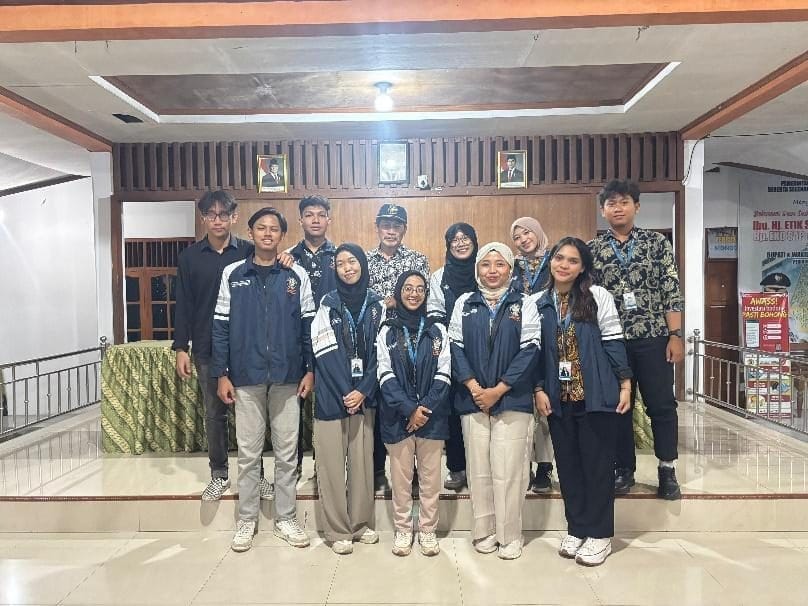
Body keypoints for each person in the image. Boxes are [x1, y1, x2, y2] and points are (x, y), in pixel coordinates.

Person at [211, 207, 315, 553]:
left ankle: (285, 518)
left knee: (287, 453)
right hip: (246, 376)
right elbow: (220, 326)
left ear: (282, 235)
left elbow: (308, 326)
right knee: (248, 453)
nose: (267, 233)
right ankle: (247, 520)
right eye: (261, 228)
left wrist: (310, 369)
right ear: (251, 232)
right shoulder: (233, 274)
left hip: (288, 376)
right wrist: (222, 373)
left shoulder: (296, 274)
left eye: (274, 229)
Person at [532, 237, 632, 567]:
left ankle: (600, 535)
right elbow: (533, 353)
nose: (564, 265)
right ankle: (577, 528)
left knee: (597, 467)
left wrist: (625, 382)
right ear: (550, 261)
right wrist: (538, 388)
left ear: (583, 267)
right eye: (559, 258)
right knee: (569, 468)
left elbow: (613, 341)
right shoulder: (538, 302)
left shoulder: (597, 296)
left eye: (573, 261)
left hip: (595, 395)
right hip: (558, 398)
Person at [172, 190, 273, 503]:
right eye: (211, 214)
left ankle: (256, 474)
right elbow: (183, 305)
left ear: (234, 217)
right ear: (203, 218)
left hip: (244, 347)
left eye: (223, 214)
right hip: (206, 347)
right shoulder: (189, 257)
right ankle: (219, 474)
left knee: (251, 414)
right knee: (214, 414)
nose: (217, 220)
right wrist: (181, 347)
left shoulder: (248, 251)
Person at [589, 179, 684, 500]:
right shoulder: (593, 249)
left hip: (654, 337)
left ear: (637, 207)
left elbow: (671, 289)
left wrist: (675, 335)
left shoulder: (657, 243)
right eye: (611, 203)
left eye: (624, 202)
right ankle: (623, 468)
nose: (618, 208)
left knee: (661, 404)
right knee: (618, 406)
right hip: (611, 341)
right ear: (603, 210)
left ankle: (667, 468)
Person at [448, 242, 540, 560]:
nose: (492, 271)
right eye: (486, 264)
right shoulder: (464, 302)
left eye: (499, 264)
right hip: (471, 399)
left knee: (510, 469)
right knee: (479, 469)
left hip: (512, 399)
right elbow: (454, 348)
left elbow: (530, 350)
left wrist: (498, 390)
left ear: (510, 270)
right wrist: (475, 387)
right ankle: (484, 531)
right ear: (477, 270)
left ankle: (510, 534)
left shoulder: (524, 303)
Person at [310, 243, 386, 555]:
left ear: (362, 265)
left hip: (364, 398)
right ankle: (338, 530)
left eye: (352, 261)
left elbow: (383, 352)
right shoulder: (327, 304)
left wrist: (363, 389)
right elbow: (324, 352)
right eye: (341, 263)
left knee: (362, 464)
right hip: (333, 396)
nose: (347, 268)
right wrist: (347, 391)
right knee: (330, 466)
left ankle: (361, 524)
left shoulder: (377, 305)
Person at [377, 271, 451, 557]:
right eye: (408, 288)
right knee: (401, 480)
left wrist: (423, 409)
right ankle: (403, 529)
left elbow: (445, 372)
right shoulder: (387, 330)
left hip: (432, 416)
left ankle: (428, 530)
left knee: (431, 480)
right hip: (398, 417)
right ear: (398, 292)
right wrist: (409, 409)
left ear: (426, 295)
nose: (414, 294)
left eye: (420, 289)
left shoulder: (437, 329)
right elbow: (384, 373)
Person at [366, 203, 430, 492]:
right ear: (377, 227)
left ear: (404, 229)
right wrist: (386, 302)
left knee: (411, 400)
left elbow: (422, 297)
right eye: (386, 225)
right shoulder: (365, 260)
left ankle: (413, 472)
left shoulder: (418, 260)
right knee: (381, 406)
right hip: (374, 341)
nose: (390, 230)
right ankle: (378, 469)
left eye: (396, 225)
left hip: (411, 342)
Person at [287, 195, 338, 479]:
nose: (315, 220)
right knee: (293, 408)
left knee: (327, 408)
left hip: (332, 344)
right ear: (301, 220)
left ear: (329, 219)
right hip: (296, 343)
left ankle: (323, 466)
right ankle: (292, 466)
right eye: (309, 214)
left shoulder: (341, 257)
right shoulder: (287, 258)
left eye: (321, 214)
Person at [427, 223, 478, 491]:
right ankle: (457, 468)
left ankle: (481, 469)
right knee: (453, 411)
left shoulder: (483, 269)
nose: (460, 243)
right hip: (450, 353)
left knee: (480, 409)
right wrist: (449, 347)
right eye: (454, 240)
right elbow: (435, 315)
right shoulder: (439, 277)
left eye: (465, 238)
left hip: (483, 351)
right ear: (448, 246)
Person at [510, 217, 555, 494]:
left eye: (527, 233)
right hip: (520, 340)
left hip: (551, 338)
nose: (523, 240)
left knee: (546, 405)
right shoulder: (512, 266)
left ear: (537, 232)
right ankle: (523, 463)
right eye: (517, 237)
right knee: (522, 406)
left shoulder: (555, 260)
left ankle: (545, 467)